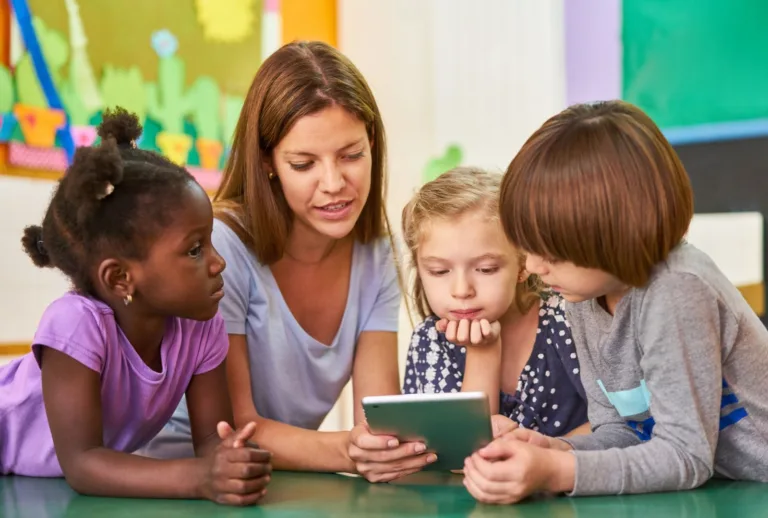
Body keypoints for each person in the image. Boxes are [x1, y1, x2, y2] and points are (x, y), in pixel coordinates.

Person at [141, 41, 433, 482]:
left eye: (352, 155)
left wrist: (385, 450)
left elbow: (377, 422)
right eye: (304, 163)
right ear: (268, 163)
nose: (334, 183)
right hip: (172, 476)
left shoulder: (376, 255)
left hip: (273, 481)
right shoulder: (223, 246)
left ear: (372, 143)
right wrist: (351, 450)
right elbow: (234, 425)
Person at [462, 100, 768, 504]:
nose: (534, 268)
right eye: (529, 249)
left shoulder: (676, 290)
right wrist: (554, 449)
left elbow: (685, 456)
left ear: (612, 233)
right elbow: (623, 431)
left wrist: (557, 472)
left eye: (551, 253)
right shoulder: (583, 293)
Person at [0, 108, 271, 505]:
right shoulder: (75, 324)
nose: (218, 262)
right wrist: (201, 479)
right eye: (195, 249)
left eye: (209, 241)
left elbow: (213, 439)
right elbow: (83, 463)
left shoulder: (202, 323)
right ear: (120, 279)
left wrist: (232, 464)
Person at [401, 167, 588, 437]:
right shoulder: (429, 343)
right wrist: (483, 354)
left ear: (523, 264)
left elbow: (622, 425)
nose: (462, 290)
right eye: (440, 272)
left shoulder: (568, 320)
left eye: (486, 269)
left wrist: (547, 459)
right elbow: (457, 450)